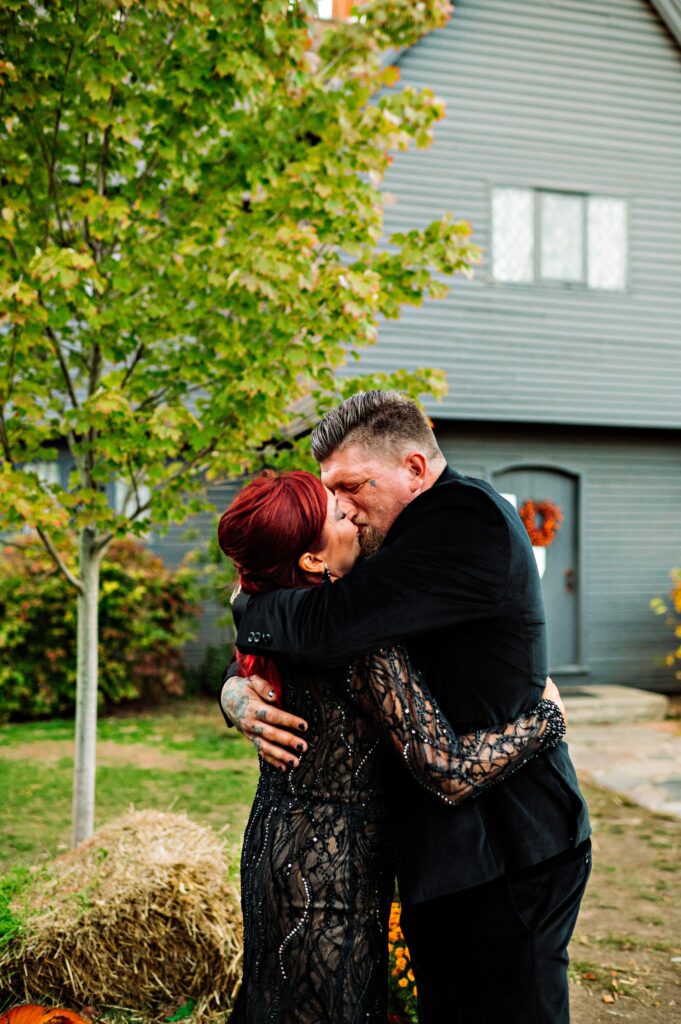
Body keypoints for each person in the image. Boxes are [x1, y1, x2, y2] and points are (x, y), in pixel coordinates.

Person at [220, 390, 591, 1024]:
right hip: (426, 857)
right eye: (329, 491)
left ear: (415, 469)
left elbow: (333, 627)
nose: (340, 505)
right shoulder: (382, 541)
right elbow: (315, 629)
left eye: (351, 487)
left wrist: (247, 605)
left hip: (507, 847)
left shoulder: (462, 522)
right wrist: (237, 690)